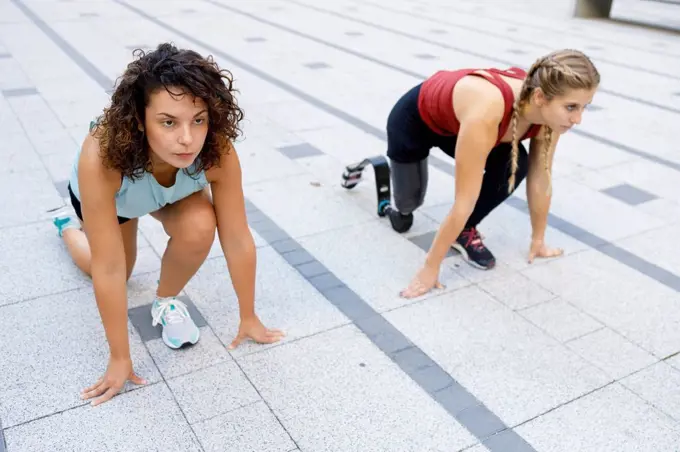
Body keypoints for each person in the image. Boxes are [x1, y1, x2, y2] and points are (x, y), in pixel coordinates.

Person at [52, 43, 285, 406]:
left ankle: (165, 301)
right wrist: (119, 358)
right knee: (122, 269)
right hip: (120, 198)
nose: (187, 138)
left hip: (171, 189)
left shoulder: (214, 150)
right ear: (140, 119)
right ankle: (68, 226)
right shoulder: (101, 157)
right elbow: (109, 268)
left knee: (201, 224)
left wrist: (248, 315)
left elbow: (237, 236)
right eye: (168, 122)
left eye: (199, 119)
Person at [344, 49, 600, 298]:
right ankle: (380, 177)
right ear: (541, 98)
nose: (578, 118)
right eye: (571, 107)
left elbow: (541, 176)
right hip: (415, 121)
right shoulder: (487, 109)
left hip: (459, 124)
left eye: (584, 107)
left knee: (517, 163)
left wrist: (539, 239)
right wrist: (430, 268)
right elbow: (463, 200)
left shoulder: (550, 118)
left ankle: (464, 231)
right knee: (407, 209)